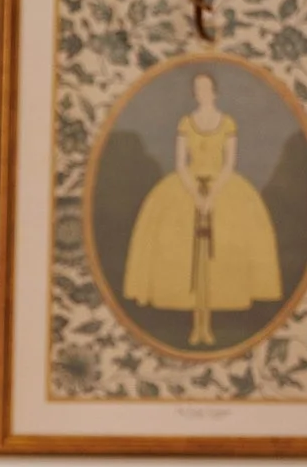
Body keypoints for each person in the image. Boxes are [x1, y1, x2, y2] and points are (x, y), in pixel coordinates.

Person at [121, 67, 283, 348]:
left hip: (223, 188)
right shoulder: (186, 122)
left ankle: (207, 327)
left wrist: (212, 196)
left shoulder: (228, 123)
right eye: (197, 88)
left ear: (215, 92)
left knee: (217, 260)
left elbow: (229, 163)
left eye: (206, 88)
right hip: (186, 190)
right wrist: (196, 195)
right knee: (187, 258)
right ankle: (196, 327)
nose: (201, 93)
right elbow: (181, 163)